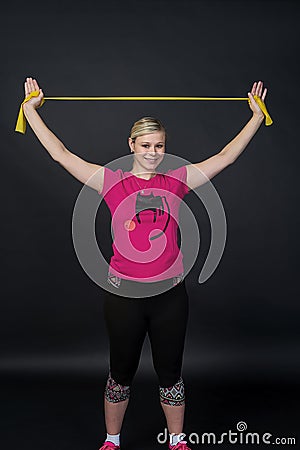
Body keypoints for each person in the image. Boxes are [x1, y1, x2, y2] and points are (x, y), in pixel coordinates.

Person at [22, 77, 267, 450]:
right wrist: (30, 111)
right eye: (146, 145)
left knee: (170, 374)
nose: (153, 152)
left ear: (165, 148)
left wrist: (254, 116)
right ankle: (112, 441)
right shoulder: (112, 183)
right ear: (131, 146)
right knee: (120, 373)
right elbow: (61, 155)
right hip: (123, 298)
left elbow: (225, 157)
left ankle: (177, 441)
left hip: (169, 297)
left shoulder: (177, 181)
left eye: (159, 146)